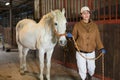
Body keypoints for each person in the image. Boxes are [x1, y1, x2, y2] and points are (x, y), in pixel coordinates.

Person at [67, 6, 106, 80]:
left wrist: (101, 48)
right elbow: (74, 37)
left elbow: (97, 38)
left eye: (87, 13)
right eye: (84, 13)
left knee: (92, 69)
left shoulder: (94, 26)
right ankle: (84, 78)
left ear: (89, 14)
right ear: (81, 15)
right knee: (82, 69)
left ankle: (90, 76)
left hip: (91, 51)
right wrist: (70, 37)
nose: (86, 15)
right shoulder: (77, 25)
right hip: (80, 52)